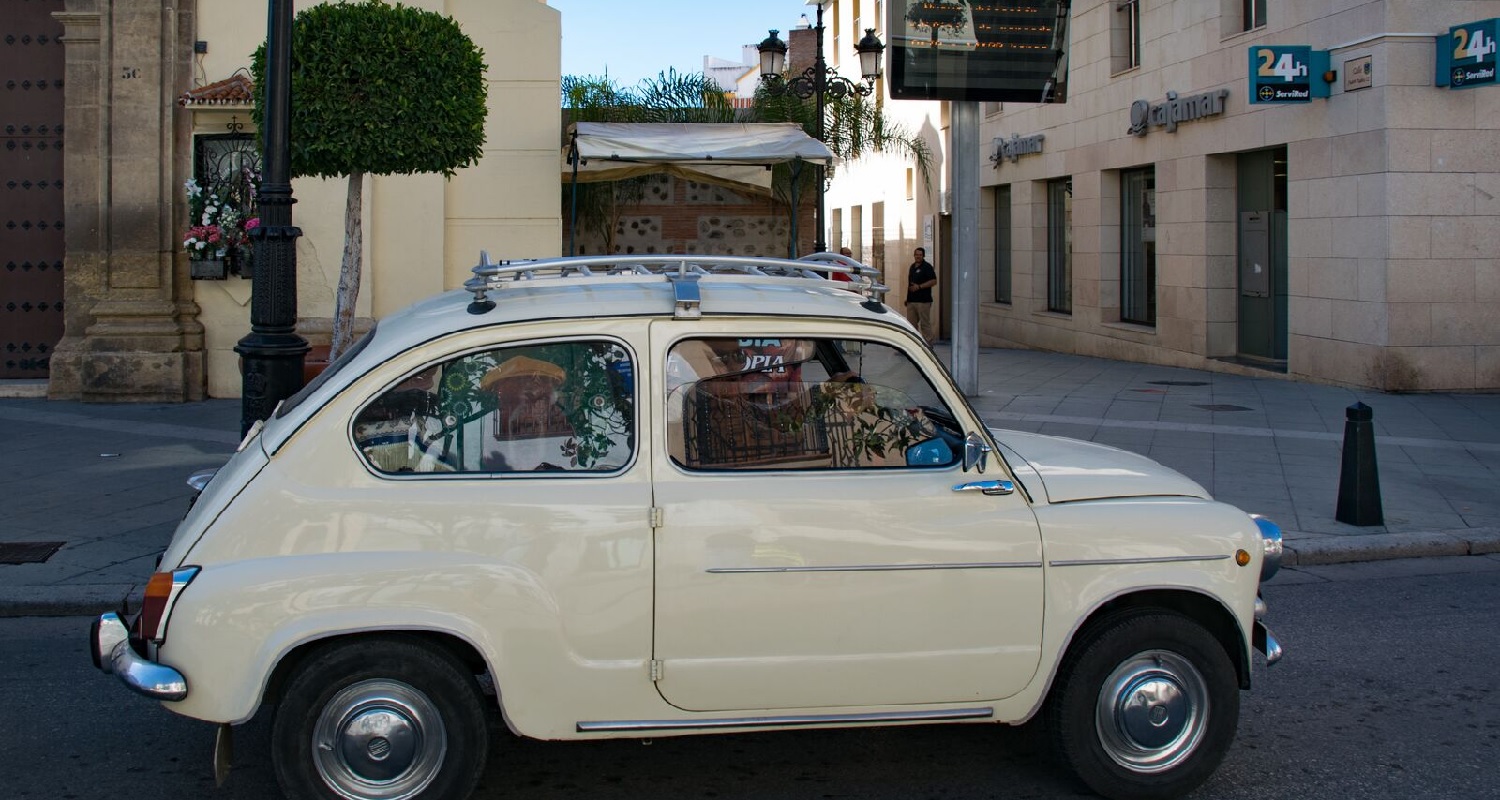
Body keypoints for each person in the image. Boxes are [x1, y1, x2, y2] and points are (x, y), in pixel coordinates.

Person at [906, 247, 937, 344]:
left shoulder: (927, 267)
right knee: (911, 325)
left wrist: (919, 287)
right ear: (914, 255)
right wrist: (907, 299)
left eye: (920, 255)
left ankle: (928, 344)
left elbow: (933, 281)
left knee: (924, 324)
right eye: (916, 255)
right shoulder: (912, 267)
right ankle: (914, 344)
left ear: (923, 256)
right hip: (912, 301)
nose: (918, 256)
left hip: (923, 301)